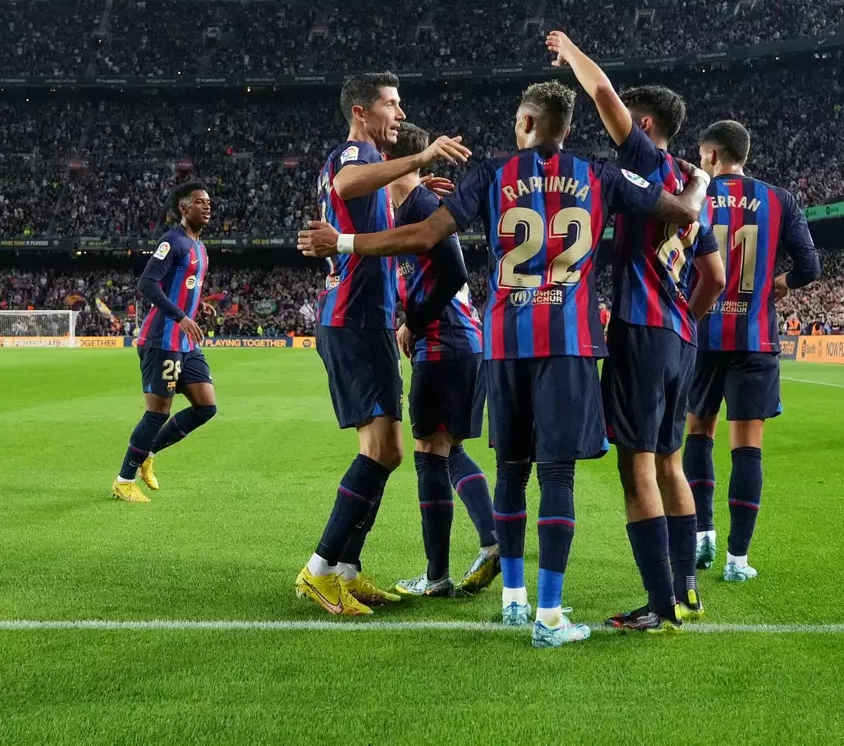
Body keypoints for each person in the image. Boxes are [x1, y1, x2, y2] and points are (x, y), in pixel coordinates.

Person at [299, 80, 708, 647]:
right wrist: (704, 179)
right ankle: (549, 614)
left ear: (524, 123)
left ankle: (513, 599)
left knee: (512, 469)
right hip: (568, 344)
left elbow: (421, 234)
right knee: (557, 475)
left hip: (504, 343)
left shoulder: (490, 176)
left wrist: (343, 242)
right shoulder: (601, 175)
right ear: (566, 127)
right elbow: (682, 209)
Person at [548, 31, 726, 632]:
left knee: (639, 469)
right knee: (673, 465)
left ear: (644, 122)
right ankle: (686, 590)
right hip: (680, 339)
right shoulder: (688, 182)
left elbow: (599, 91)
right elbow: (716, 277)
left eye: (628, 117)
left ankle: (659, 604)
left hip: (641, 331)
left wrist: (569, 49)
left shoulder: (646, 164)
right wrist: (685, 322)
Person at [294, 72, 472, 618]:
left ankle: (345, 570)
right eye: (391, 105)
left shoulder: (372, 168)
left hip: (364, 319)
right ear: (360, 111)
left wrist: (413, 195)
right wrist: (420, 161)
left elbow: (365, 207)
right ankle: (321, 571)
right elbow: (348, 185)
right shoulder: (351, 152)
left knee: (387, 451)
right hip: (353, 319)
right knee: (382, 451)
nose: (400, 113)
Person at [683, 120, 821, 584]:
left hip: (701, 334)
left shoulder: (694, 194)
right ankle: (737, 559)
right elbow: (810, 266)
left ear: (711, 155)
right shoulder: (780, 199)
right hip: (756, 339)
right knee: (747, 448)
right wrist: (780, 282)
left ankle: (701, 532)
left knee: (698, 432)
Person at [376, 123, 500, 600]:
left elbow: (453, 271)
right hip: (458, 342)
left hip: (443, 341)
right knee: (448, 451)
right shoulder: (412, 206)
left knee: (430, 453)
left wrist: (413, 321)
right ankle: (492, 546)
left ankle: (437, 576)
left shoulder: (425, 207)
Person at [113, 182, 220, 503]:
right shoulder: (172, 241)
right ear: (183, 208)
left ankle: (149, 451)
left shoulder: (199, 247)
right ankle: (123, 480)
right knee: (157, 413)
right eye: (199, 202)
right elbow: (147, 282)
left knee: (206, 407)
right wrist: (181, 316)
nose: (207, 206)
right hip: (163, 339)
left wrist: (196, 306)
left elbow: (181, 287)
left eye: (209, 202)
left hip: (186, 343)